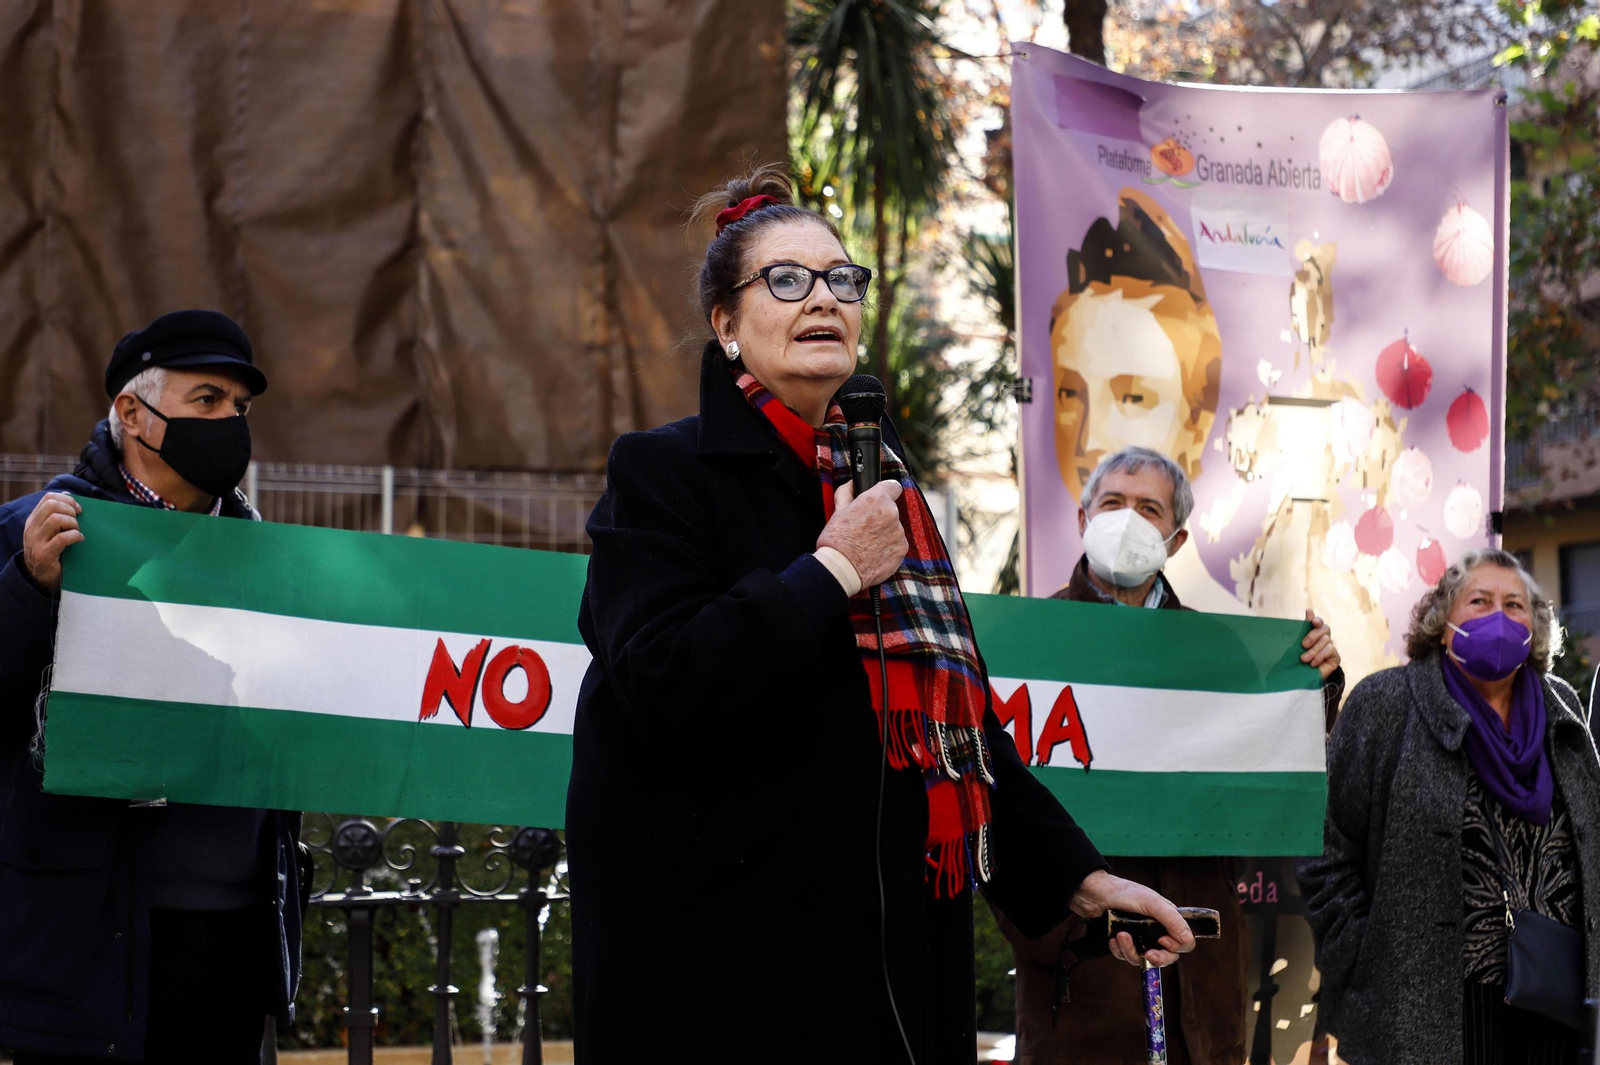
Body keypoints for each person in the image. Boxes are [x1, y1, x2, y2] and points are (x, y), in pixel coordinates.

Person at [565, 166, 1196, 1064]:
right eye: (785, 279)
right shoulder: (664, 474)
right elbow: (662, 680)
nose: (822, 297)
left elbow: (960, 733)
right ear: (726, 326)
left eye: (840, 279)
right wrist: (829, 570)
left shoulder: (884, 493)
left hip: (890, 975)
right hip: (722, 978)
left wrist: (1079, 878)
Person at [0, 310, 306, 1064]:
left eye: (239, 408)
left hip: (234, 936)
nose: (229, 422)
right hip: (89, 940)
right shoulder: (33, 533)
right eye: (207, 400)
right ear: (132, 413)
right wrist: (29, 590)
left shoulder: (270, 557)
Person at [991, 445, 1345, 1065]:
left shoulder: (1223, 658)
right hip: (1078, 995)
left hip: (1203, 996)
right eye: (1112, 504)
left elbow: (1272, 791)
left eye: (1148, 509)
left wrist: (1315, 684)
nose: (1127, 519)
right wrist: (1064, 936)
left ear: (1176, 539)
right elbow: (994, 812)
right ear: (1082, 520)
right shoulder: (1025, 650)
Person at [1298, 549, 1600, 1065]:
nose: (1499, 618)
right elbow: (1324, 846)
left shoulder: (1562, 705)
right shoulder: (1385, 703)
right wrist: (1364, 956)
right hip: (1424, 1001)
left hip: (1555, 991)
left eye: (1515, 605)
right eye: (1478, 601)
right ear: (1442, 625)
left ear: (1536, 626)